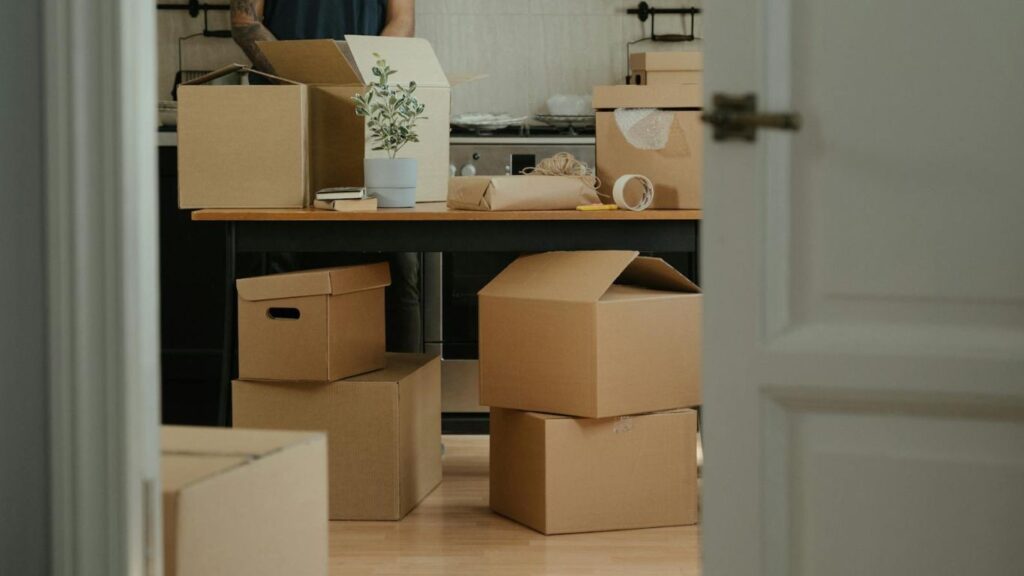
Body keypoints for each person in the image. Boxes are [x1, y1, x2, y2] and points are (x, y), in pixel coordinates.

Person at [229, 0, 422, 354]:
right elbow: (244, 20)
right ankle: (277, 380)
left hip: (364, 109)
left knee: (392, 259)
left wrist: (354, 69)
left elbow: (402, 21)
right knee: (278, 256)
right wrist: (302, 71)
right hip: (284, 116)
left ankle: (400, 392)